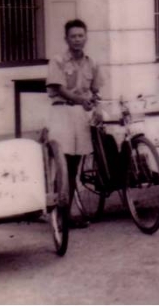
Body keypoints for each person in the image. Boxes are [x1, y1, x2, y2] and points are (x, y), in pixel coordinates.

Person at [45, 19, 103, 229]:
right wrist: (80, 100)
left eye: (80, 35)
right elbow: (60, 89)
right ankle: (57, 215)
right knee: (63, 164)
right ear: (66, 39)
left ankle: (66, 214)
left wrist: (98, 108)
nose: (77, 40)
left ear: (86, 37)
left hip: (81, 116)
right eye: (73, 36)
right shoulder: (58, 61)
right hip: (62, 113)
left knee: (75, 165)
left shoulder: (92, 63)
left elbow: (95, 91)